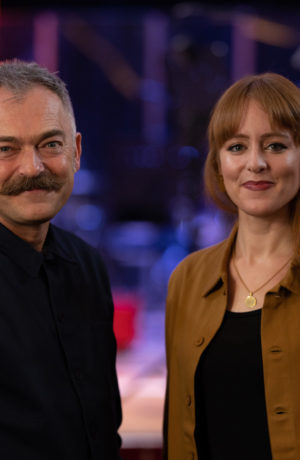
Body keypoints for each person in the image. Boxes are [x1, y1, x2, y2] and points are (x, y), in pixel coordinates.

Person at [163, 72, 300, 460]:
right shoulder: (187, 279)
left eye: (275, 145)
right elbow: (178, 428)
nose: (255, 163)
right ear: (219, 162)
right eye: (237, 147)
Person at [0, 59, 122, 459]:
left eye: (50, 144)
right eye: (6, 149)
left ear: (77, 151)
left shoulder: (87, 265)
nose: (32, 168)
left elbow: (102, 426)